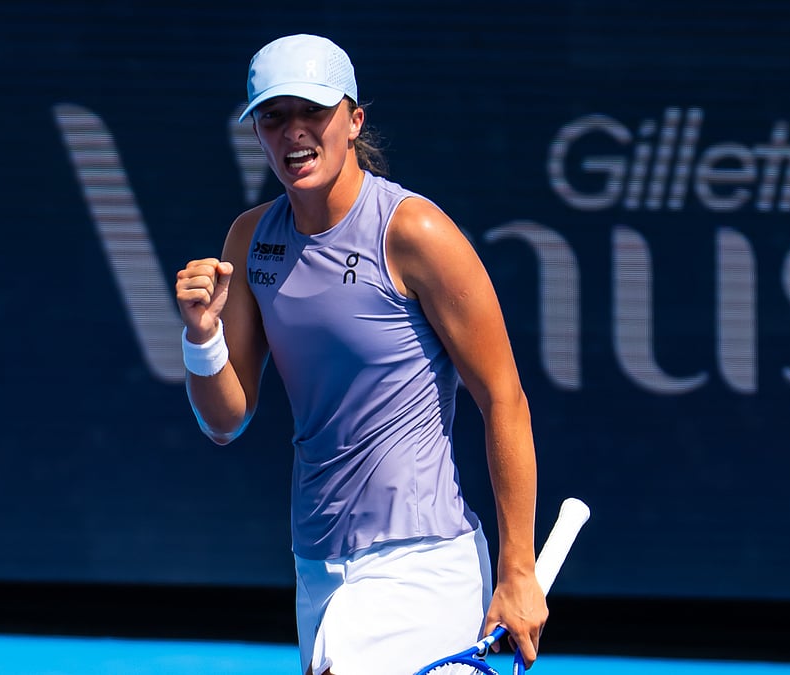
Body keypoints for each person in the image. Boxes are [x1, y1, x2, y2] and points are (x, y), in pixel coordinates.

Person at [175, 34, 546, 675]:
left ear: (353, 120)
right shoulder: (251, 239)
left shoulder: (414, 232)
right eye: (273, 115)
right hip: (316, 565)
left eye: (312, 113)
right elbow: (225, 421)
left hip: (419, 560)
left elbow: (504, 399)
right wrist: (202, 336)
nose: (294, 133)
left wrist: (518, 572)